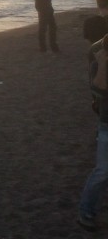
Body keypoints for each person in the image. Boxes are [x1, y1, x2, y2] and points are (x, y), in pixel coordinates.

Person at [78, 38, 108, 229]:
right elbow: (97, 90)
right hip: (107, 122)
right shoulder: (98, 51)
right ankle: (86, 211)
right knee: (104, 171)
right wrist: (104, 62)